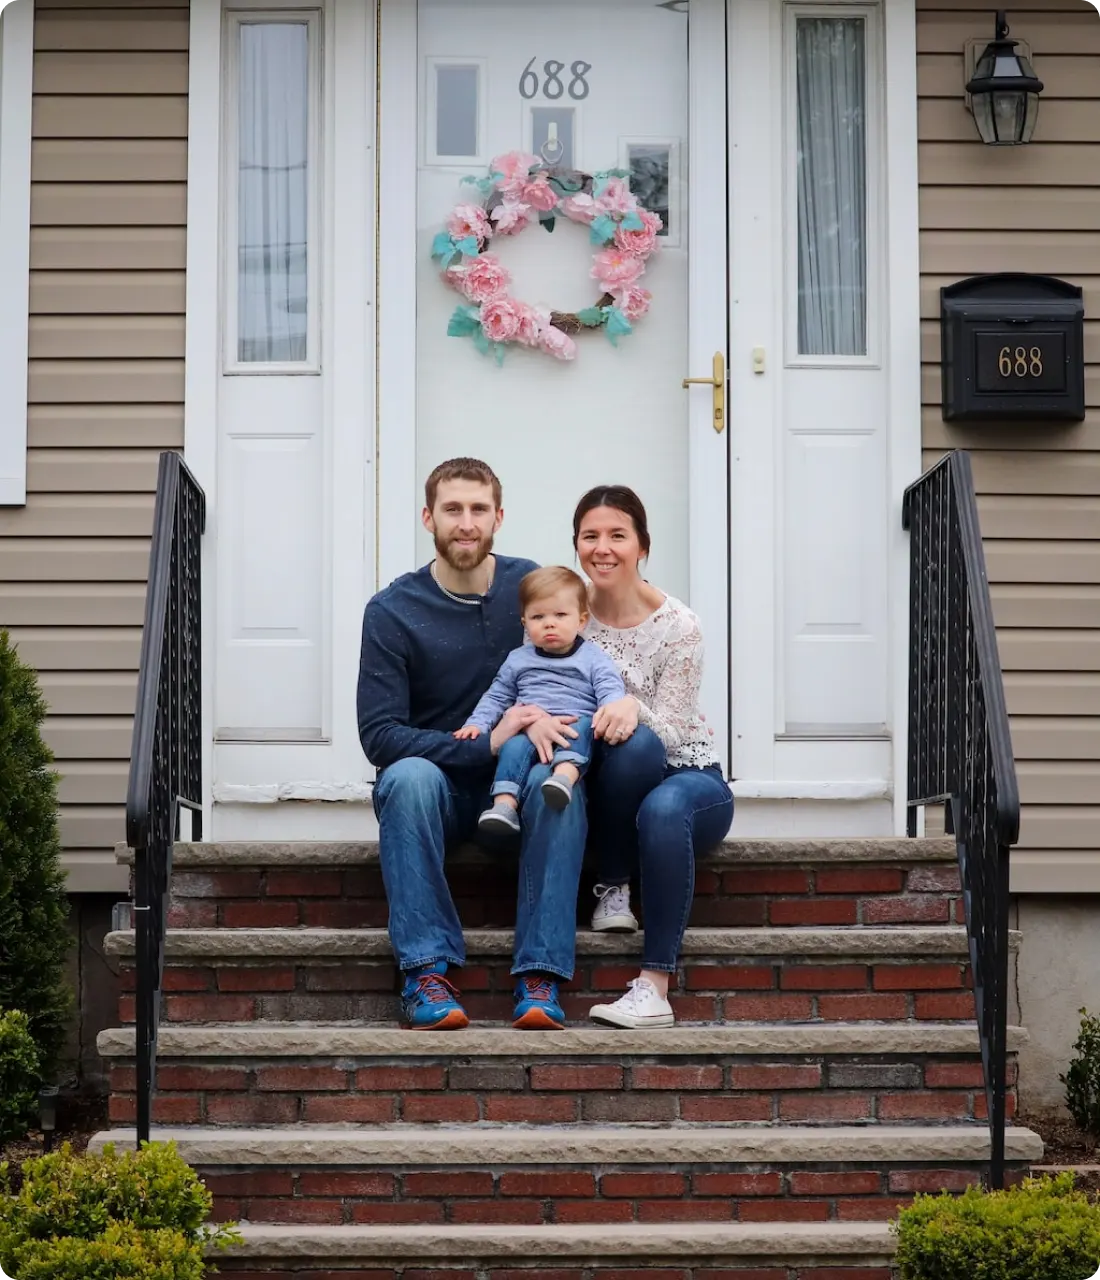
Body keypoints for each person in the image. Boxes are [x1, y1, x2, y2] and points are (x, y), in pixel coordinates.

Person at [357, 458, 625, 1032]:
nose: (466, 522)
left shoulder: (531, 588)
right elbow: (379, 735)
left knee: (559, 786)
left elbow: (596, 643)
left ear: (498, 517)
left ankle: (540, 978)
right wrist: (488, 743)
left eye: (479, 509)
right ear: (428, 517)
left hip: (526, 779)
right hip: (444, 793)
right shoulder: (392, 612)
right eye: (452, 509)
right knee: (405, 777)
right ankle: (425, 972)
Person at [571, 485, 735, 1029]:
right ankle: (611, 886)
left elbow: (670, 729)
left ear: (642, 545)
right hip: (607, 782)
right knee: (625, 745)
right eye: (590, 536)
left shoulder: (679, 626)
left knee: (657, 794)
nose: (603, 548)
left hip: (689, 777)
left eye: (618, 535)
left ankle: (654, 988)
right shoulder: (569, 618)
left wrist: (628, 706)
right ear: (576, 546)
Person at [455, 566, 626, 836]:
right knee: (512, 748)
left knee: (581, 729)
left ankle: (563, 779)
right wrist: (477, 724)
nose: (549, 623)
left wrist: (612, 711)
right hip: (528, 728)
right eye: (538, 616)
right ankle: (504, 806)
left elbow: (609, 688)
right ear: (525, 623)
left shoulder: (593, 657)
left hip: (574, 721)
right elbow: (497, 695)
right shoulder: (518, 659)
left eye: (560, 615)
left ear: (581, 621)